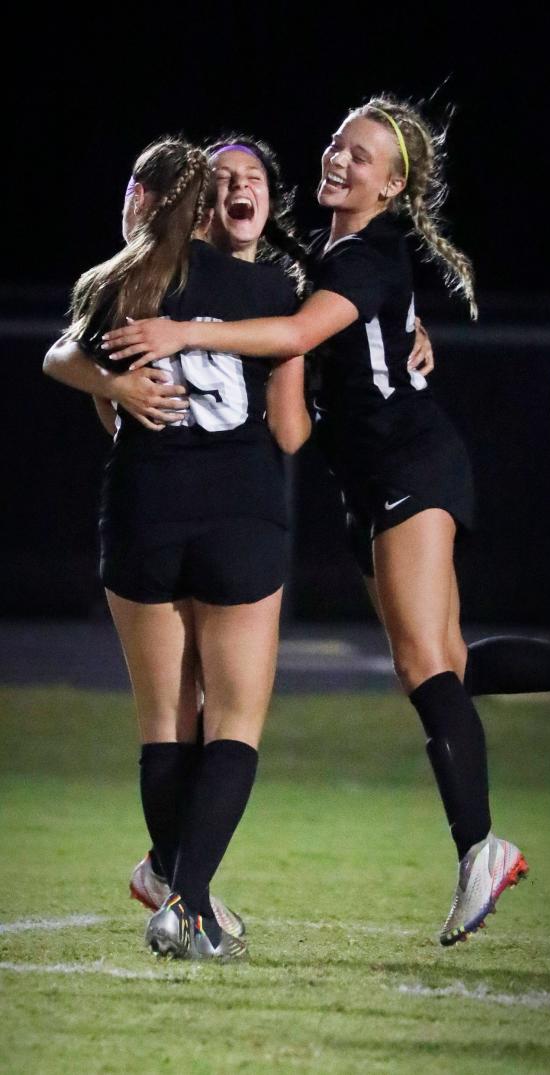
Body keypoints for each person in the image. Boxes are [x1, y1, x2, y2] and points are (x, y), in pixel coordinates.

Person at [102, 97, 550, 946]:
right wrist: (395, 329)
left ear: (396, 183)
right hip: (371, 482)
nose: (339, 156)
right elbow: (307, 366)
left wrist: (190, 328)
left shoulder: (364, 257)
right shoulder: (327, 253)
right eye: (338, 140)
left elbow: (304, 326)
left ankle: (480, 845)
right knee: (444, 662)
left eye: (364, 154)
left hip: (409, 464)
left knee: (420, 665)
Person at [44, 135, 313, 959]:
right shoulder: (272, 287)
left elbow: (63, 360)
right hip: (240, 513)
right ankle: (190, 903)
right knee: (233, 720)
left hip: (143, 511)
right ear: (211, 208)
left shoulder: (124, 283)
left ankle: (179, 890)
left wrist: (120, 387)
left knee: (164, 721)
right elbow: (292, 431)